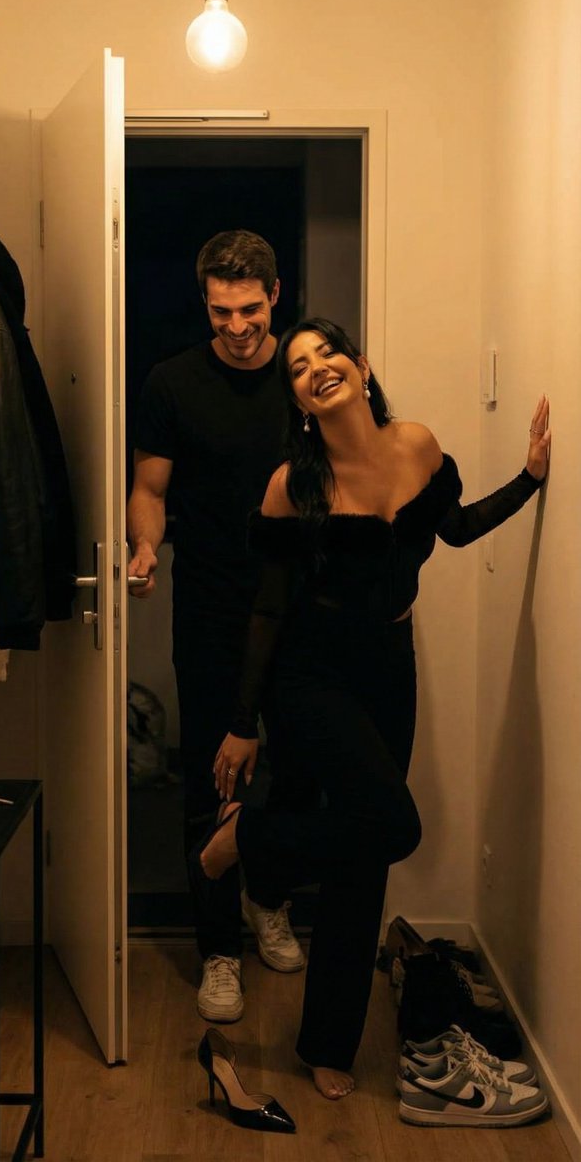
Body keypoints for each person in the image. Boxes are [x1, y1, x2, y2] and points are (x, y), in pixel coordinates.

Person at [193, 317, 550, 1101]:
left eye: (328, 353)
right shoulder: (293, 485)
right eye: (298, 367)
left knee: (364, 854)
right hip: (312, 674)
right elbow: (268, 608)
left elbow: (455, 529)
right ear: (298, 400)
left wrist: (528, 480)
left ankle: (327, 1043)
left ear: (360, 366)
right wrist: (244, 721)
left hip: (391, 668)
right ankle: (249, 839)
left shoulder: (416, 445)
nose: (316, 368)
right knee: (398, 824)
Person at [127, 230, 305, 1024]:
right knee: (212, 773)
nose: (237, 326)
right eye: (221, 311)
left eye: (250, 309)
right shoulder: (172, 382)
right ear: (205, 303)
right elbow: (149, 488)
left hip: (299, 603)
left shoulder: (304, 372)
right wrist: (143, 546)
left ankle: (269, 899)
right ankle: (219, 948)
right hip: (208, 602)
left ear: (276, 295)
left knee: (297, 766)